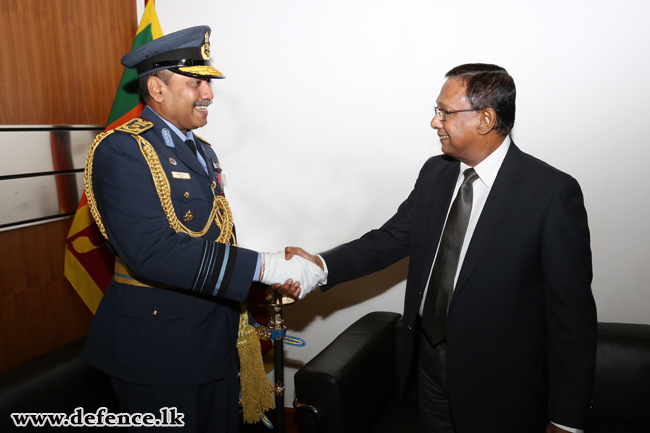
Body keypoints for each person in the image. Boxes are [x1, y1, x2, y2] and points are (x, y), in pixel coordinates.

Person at [279, 64, 597, 433]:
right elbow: (390, 238)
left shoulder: (551, 193)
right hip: (427, 365)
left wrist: (567, 419)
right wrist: (319, 264)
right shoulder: (436, 173)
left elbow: (571, 317)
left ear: (485, 119)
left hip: (500, 385)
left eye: (445, 112)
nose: (435, 122)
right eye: (437, 110)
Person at [82, 26, 324, 432]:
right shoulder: (123, 148)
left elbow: (213, 235)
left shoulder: (199, 149)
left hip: (212, 333)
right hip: (158, 348)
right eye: (195, 82)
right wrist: (263, 267)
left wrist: (265, 273)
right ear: (157, 88)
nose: (208, 94)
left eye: (207, 82)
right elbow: (153, 252)